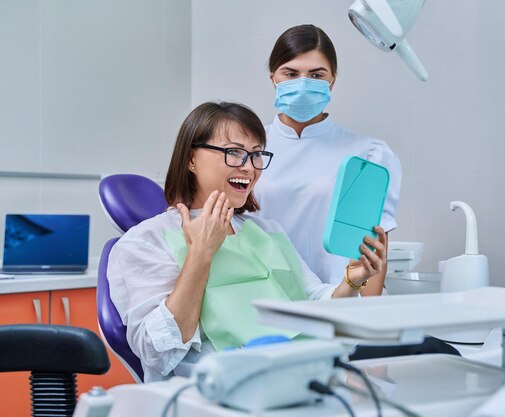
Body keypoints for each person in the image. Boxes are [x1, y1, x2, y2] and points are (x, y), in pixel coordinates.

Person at [107, 101, 388, 382]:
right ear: (191, 159)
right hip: (215, 393)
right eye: (234, 153)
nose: (250, 167)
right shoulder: (145, 240)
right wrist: (200, 255)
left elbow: (311, 301)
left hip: (300, 376)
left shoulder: (266, 230)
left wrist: (352, 280)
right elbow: (156, 352)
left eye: (256, 155)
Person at [255, 24, 402, 296]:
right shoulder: (247, 149)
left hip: (340, 300)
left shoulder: (368, 155)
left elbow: (373, 249)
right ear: (273, 77)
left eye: (315, 75)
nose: (302, 84)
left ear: (332, 80)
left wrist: (367, 323)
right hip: (264, 301)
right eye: (291, 73)